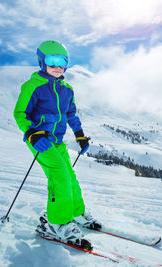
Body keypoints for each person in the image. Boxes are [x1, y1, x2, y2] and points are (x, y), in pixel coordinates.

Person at [13, 40, 101, 249]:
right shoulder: (33, 86)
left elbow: (71, 114)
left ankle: (75, 212)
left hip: (58, 141)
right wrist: (32, 133)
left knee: (70, 177)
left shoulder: (67, 89)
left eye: (62, 61)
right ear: (42, 61)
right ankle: (56, 224)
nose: (57, 66)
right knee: (59, 176)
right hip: (40, 141)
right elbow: (20, 113)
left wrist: (79, 135)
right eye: (52, 60)